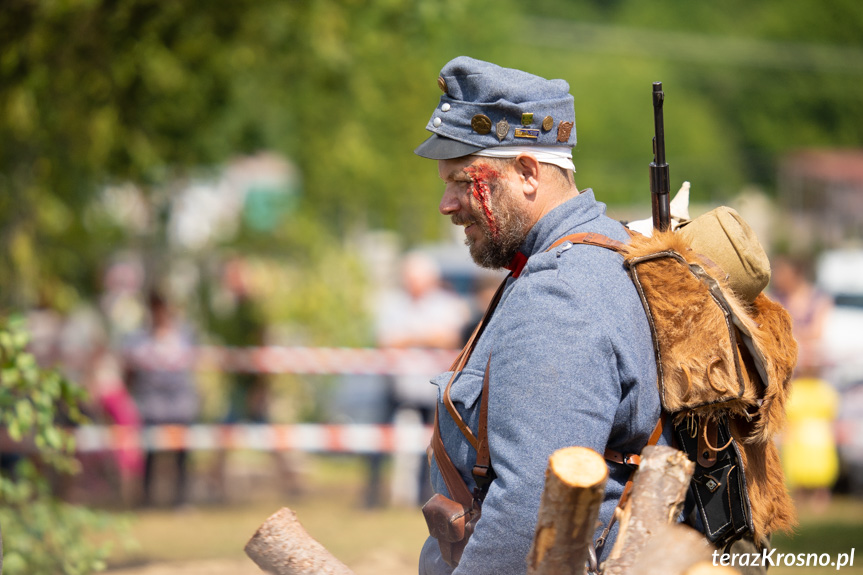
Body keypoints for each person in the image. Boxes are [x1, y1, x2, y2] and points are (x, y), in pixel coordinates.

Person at [413, 57, 660, 574]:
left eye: (463, 180)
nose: (446, 203)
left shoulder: (560, 294)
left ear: (528, 172)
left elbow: (532, 510)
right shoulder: (606, 250)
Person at [124, 291, 200, 508]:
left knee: (181, 453)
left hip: (179, 404)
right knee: (149, 451)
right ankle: (146, 497)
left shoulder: (183, 335)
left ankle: (181, 498)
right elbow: (130, 370)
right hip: (152, 404)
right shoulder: (140, 338)